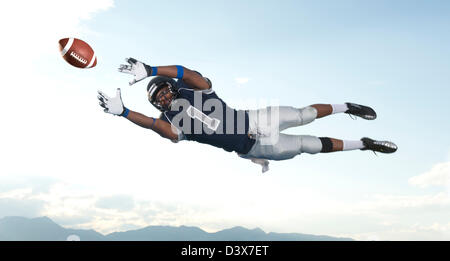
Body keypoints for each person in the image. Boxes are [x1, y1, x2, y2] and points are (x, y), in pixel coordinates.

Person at [97, 58, 397, 173]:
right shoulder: (175, 125)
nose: (162, 96)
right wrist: (123, 112)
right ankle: (366, 143)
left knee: (305, 114)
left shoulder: (194, 90)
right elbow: (154, 127)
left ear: (172, 88)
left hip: (256, 120)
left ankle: (347, 107)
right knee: (312, 145)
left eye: (163, 90)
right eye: (157, 98)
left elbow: (187, 73)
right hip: (255, 147)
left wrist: (150, 70)